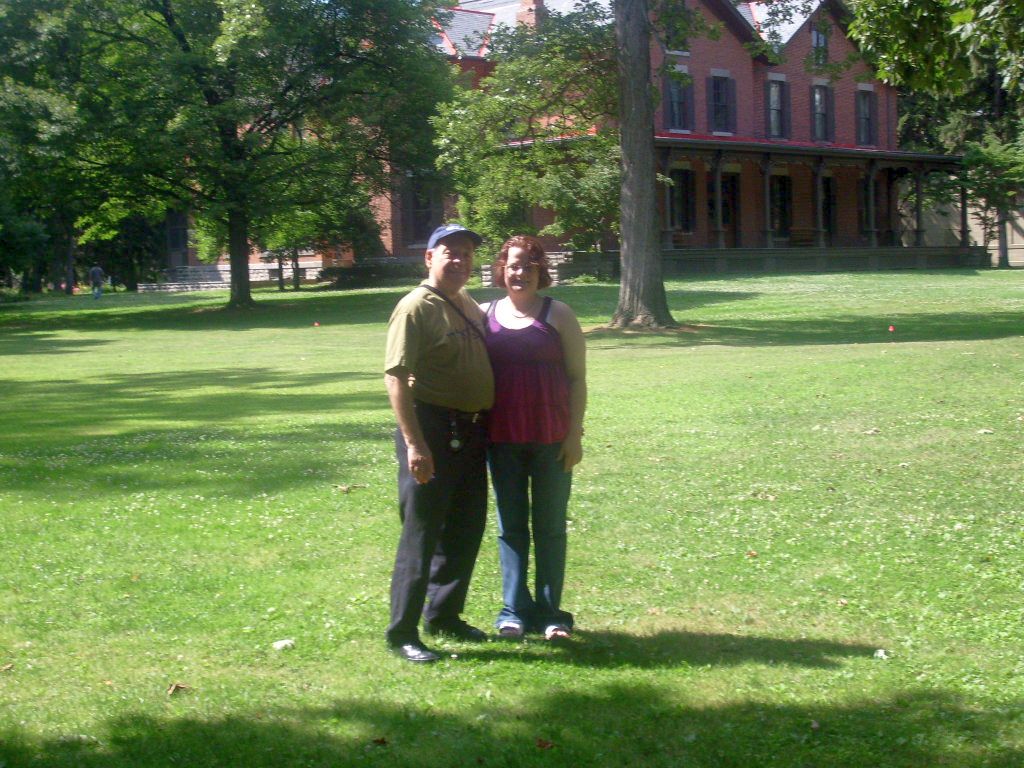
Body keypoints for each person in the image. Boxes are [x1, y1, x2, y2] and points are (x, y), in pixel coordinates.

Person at [383, 223, 495, 663]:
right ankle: (402, 632)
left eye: (466, 252)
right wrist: (415, 444)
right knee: (423, 530)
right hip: (431, 428)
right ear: (429, 257)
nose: (460, 260)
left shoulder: (466, 302)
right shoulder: (416, 306)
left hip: (471, 430)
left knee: (466, 526)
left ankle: (444, 615)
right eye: (450, 252)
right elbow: (395, 377)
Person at [481, 235, 587, 641]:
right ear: (501, 269)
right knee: (510, 528)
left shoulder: (558, 314)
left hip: (551, 439)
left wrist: (573, 435)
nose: (519, 272)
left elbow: (577, 379)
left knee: (550, 527)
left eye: (528, 265)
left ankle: (550, 613)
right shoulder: (484, 314)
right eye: (513, 265)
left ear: (541, 270)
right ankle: (513, 611)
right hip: (502, 439)